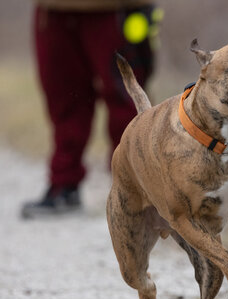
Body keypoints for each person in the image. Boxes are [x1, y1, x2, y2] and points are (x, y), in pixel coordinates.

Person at [21, 0, 158, 219]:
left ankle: (138, 190)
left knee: (127, 98)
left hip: (116, 8)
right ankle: (64, 185)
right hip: (53, 8)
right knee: (63, 99)